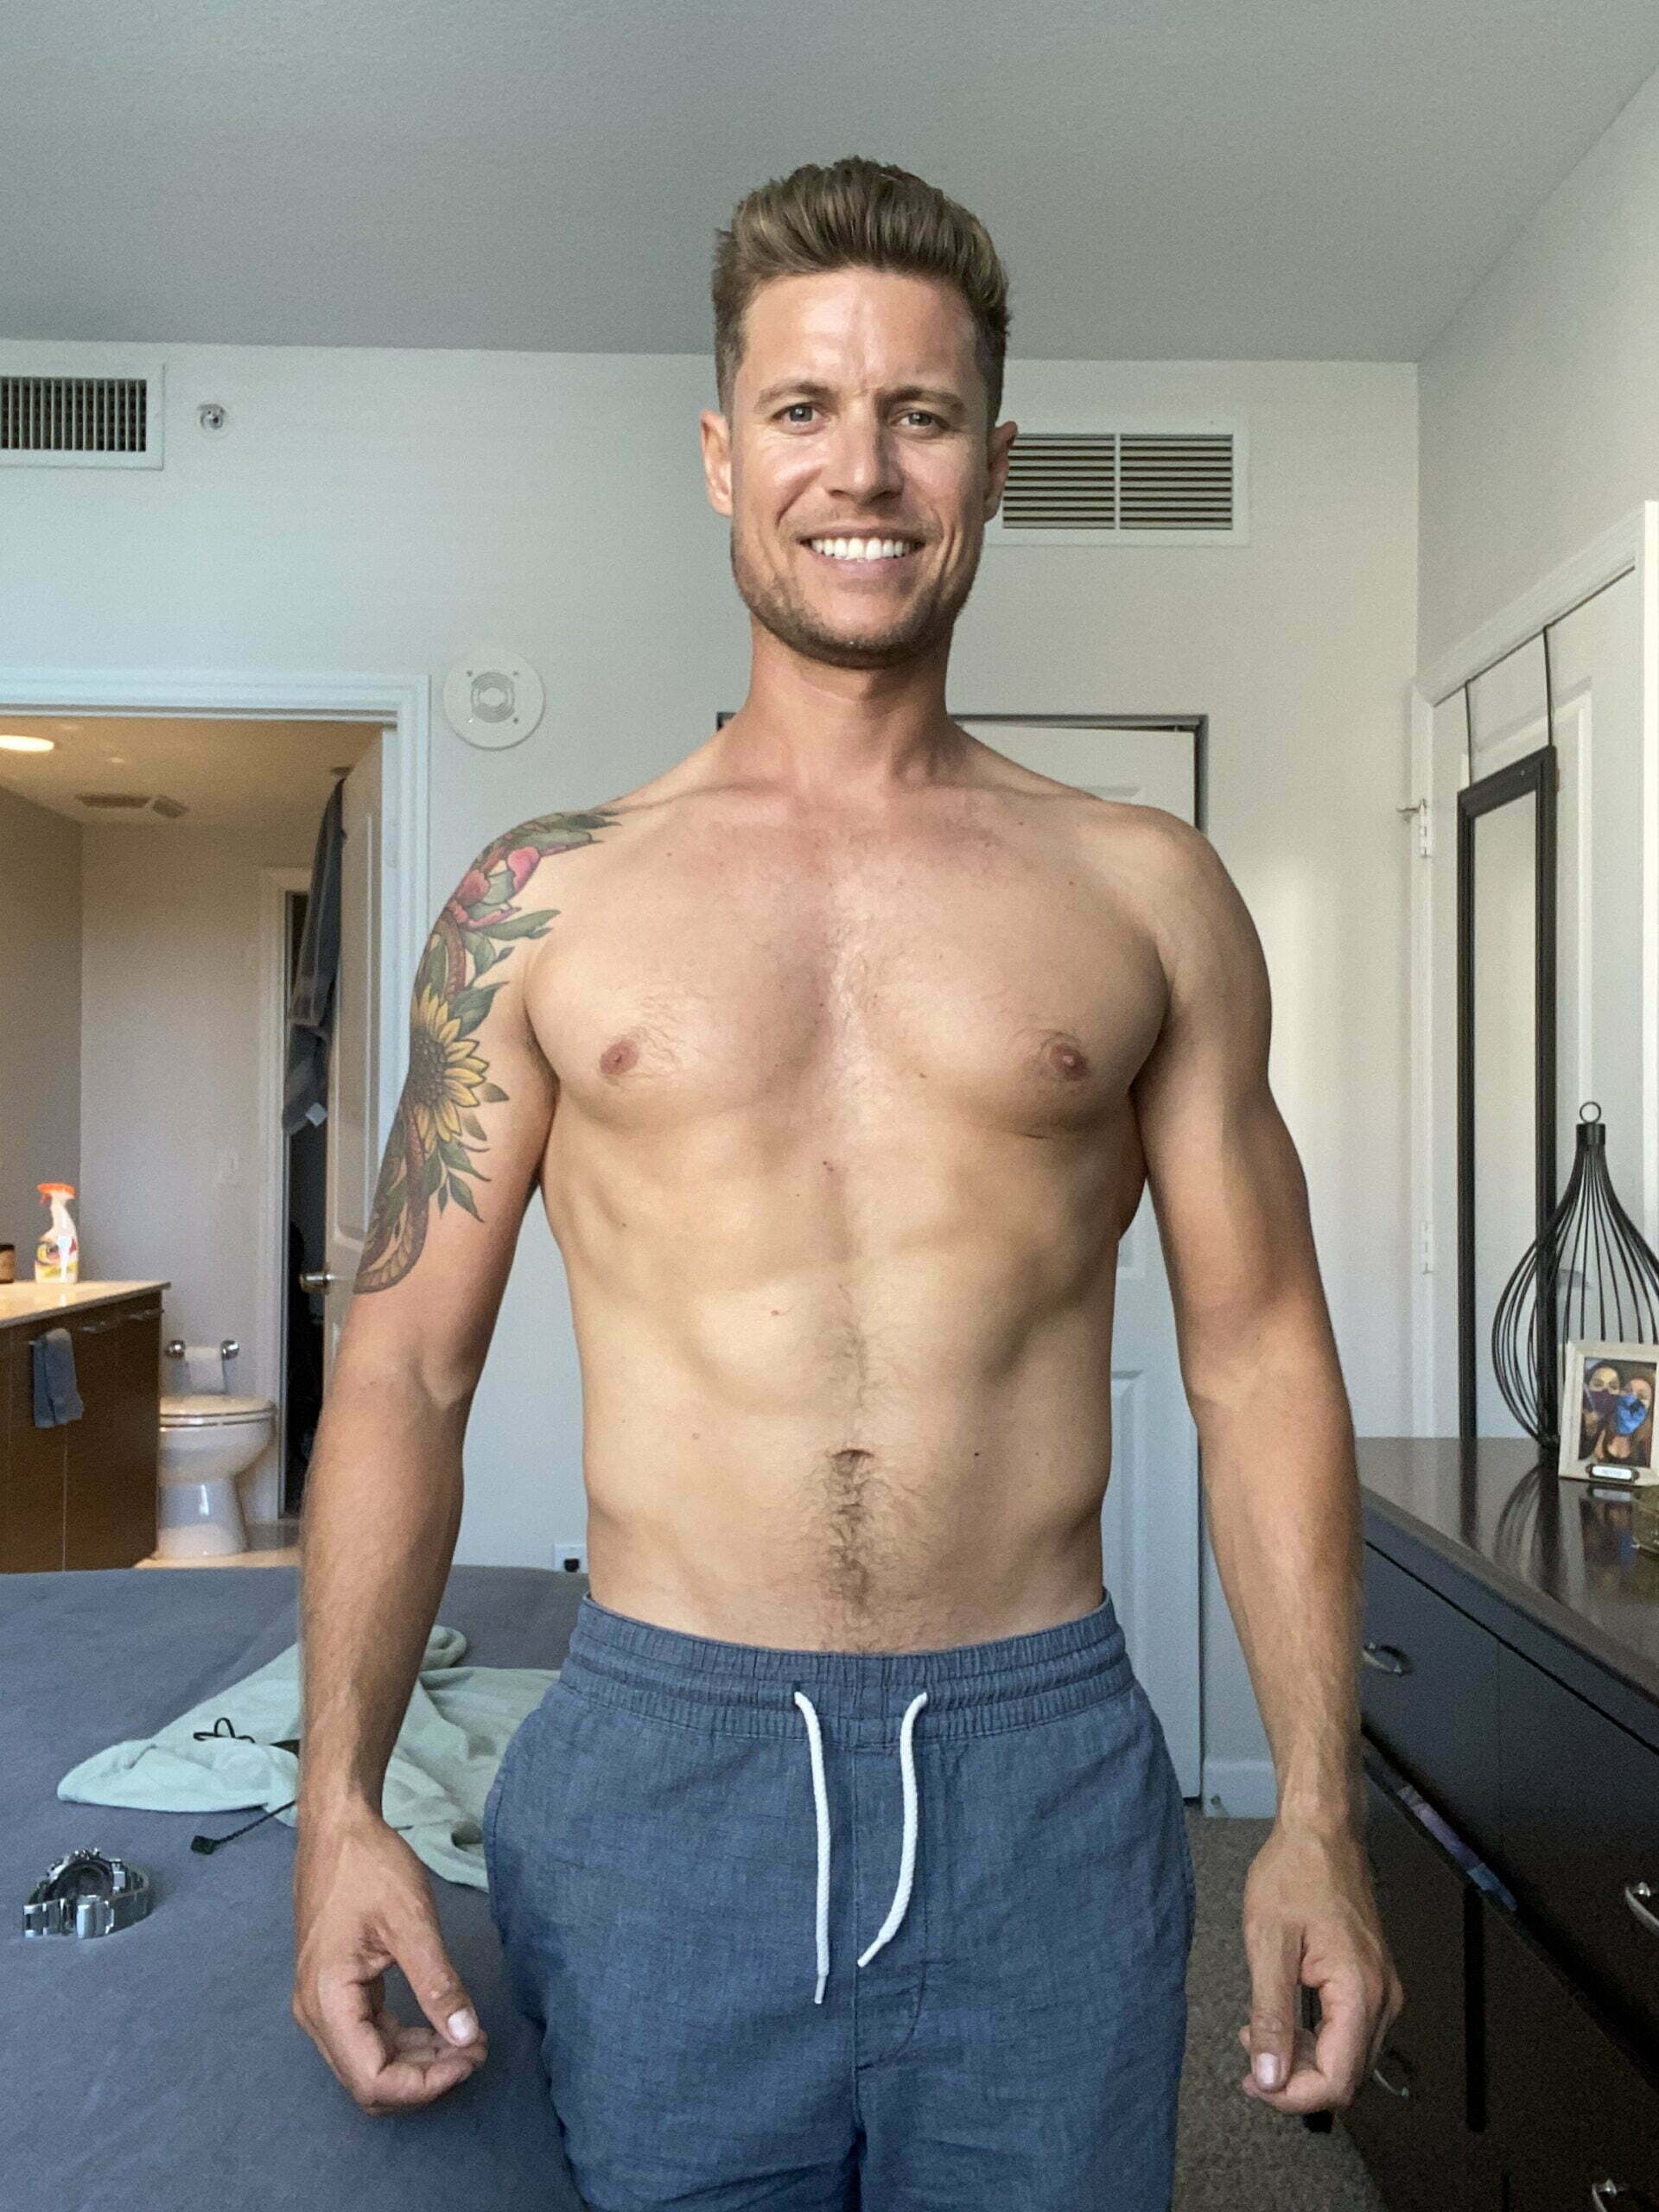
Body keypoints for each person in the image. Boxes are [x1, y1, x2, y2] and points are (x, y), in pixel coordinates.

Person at [290, 155, 1402, 2209]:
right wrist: (336, 1805)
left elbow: (1257, 1355)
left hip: (1042, 1772)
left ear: (996, 461)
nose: (862, 469)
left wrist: (1319, 1809)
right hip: (662, 1765)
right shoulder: (541, 902)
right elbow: (404, 1368)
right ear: (724, 453)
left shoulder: (1146, 889)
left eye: (922, 411)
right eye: (803, 406)